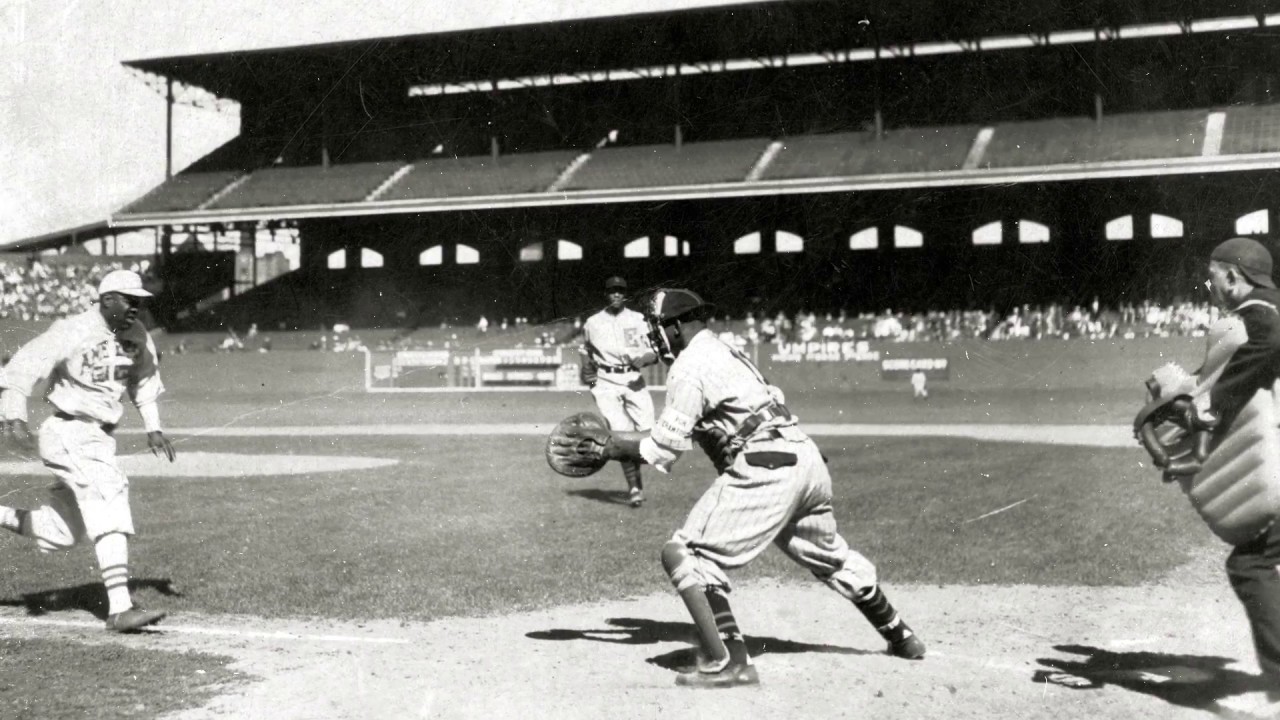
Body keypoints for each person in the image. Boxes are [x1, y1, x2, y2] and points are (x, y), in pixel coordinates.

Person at [598, 288, 925, 687]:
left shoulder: (688, 366)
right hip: (804, 457)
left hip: (769, 463)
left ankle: (729, 662)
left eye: (657, 326)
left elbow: (665, 447)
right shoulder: (726, 352)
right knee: (829, 556)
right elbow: (742, 415)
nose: (653, 335)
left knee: (685, 553)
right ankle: (902, 636)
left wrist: (613, 447)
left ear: (678, 326)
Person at [0, 270, 176, 633]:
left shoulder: (138, 334)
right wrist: (14, 413)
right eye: (130, 300)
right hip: (69, 428)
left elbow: (144, 381)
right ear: (107, 299)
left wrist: (153, 427)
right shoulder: (74, 328)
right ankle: (121, 609)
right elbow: (24, 366)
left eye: (140, 301)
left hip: (98, 437)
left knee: (60, 532)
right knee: (109, 492)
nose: (137, 307)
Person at [1193, 237, 1280, 712]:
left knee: (1250, 565)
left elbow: (1270, 343)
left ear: (1233, 276)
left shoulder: (1259, 312)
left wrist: (1211, 403)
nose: (1209, 284)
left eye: (1213, 274)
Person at [579, 276, 656, 508]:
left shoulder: (638, 320)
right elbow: (585, 349)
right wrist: (586, 368)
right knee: (622, 435)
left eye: (620, 291)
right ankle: (634, 488)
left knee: (649, 433)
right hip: (605, 381)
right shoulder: (593, 322)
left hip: (632, 378)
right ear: (606, 294)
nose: (616, 295)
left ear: (625, 294)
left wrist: (646, 359)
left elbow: (652, 352)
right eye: (612, 291)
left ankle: (632, 467)